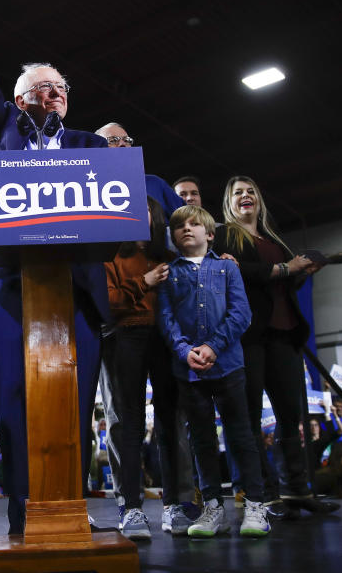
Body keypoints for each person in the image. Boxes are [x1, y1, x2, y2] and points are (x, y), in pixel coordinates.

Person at [0, 0, 111, 535]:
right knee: (14, 407)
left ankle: (72, 511)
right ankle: (23, 516)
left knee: (74, 411)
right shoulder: (1, 130)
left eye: (61, 87)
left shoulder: (93, 146)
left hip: (78, 297)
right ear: (19, 101)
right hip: (11, 295)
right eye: (42, 87)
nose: (55, 93)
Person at [210, 176, 336, 517]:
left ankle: (297, 489)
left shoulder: (274, 239)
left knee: (290, 417)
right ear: (229, 202)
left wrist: (302, 270)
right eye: (238, 192)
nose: (246, 196)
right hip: (249, 336)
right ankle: (262, 494)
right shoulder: (224, 235)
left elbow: (281, 281)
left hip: (285, 333)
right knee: (249, 418)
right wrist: (284, 267)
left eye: (251, 191)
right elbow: (233, 272)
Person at [157, 205, 269, 538]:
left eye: (194, 224)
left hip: (229, 367)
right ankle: (211, 507)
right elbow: (165, 318)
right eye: (180, 226)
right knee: (201, 440)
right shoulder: (168, 274)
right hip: (188, 372)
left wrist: (214, 346)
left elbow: (241, 314)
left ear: (210, 234)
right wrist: (184, 350)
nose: (187, 229)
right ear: (173, 236)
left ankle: (255, 505)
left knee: (241, 436)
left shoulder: (227, 269)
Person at [101, 196, 197, 540]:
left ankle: (173, 506)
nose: (140, 214)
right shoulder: (111, 255)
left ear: (156, 217)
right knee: (130, 425)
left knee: (169, 423)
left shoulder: (168, 257)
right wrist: (145, 281)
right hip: (127, 338)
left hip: (165, 340)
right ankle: (132, 509)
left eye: (146, 209)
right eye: (131, 208)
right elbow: (107, 302)